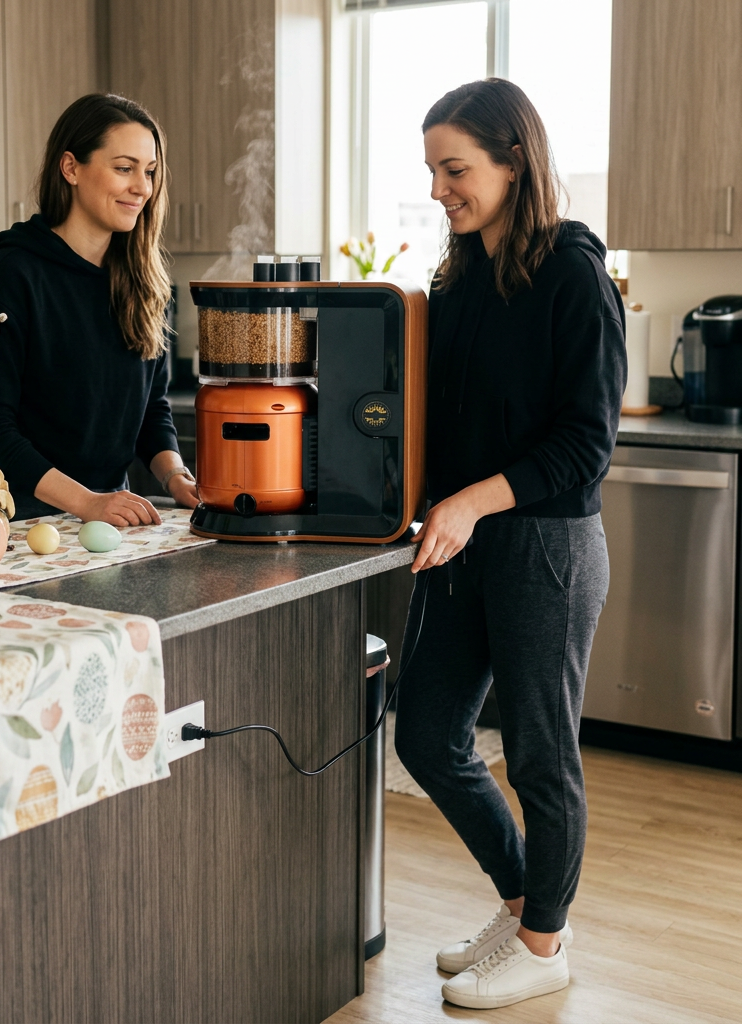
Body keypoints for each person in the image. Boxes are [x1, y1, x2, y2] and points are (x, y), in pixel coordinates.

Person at [394, 78, 626, 1010]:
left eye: (457, 169)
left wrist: (469, 505)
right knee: (428, 733)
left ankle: (543, 944)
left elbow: (584, 443)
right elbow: (437, 420)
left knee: (538, 755)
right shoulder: (458, 278)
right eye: (434, 172)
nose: (443, 188)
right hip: (466, 543)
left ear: (514, 157)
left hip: (544, 549)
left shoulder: (571, 269)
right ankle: (525, 899)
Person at [0, 93, 198, 524]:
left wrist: (175, 476)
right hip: (9, 517)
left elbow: (150, 407)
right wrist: (86, 502)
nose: (142, 187)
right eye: (124, 168)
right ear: (71, 168)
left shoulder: (143, 280)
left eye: (150, 171)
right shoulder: (13, 275)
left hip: (106, 514)